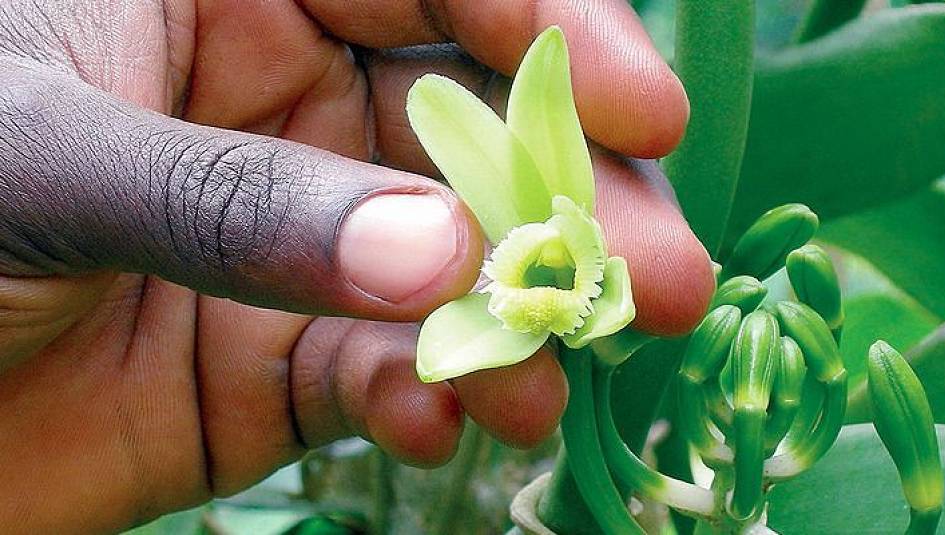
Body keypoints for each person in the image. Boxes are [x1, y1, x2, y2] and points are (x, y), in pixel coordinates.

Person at [0, 1, 715, 532]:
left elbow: (470, 347)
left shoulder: (560, 300)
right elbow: (443, 355)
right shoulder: (493, 317)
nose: (551, 267)